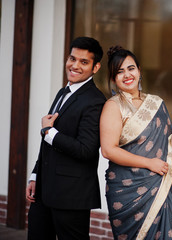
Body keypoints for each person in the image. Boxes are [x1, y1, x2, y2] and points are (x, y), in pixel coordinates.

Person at [100, 46, 172, 240]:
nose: (127, 75)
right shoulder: (113, 106)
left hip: (160, 186)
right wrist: (149, 163)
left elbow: (171, 143)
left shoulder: (156, 102)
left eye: (131, 68)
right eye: (119, 72)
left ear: (139, 71)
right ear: (113, 79)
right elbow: (108, 150)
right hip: (128, 193)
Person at [26, 36, 106, 240]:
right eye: (72, 58)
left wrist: (49, 132)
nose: (75, 65)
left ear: (95, 67)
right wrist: (36, 174)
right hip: (44, 190)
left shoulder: (96, 101)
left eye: (84, 62)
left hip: (72, 196)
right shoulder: (64, 91)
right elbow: (49, 139)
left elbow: (86, 150)